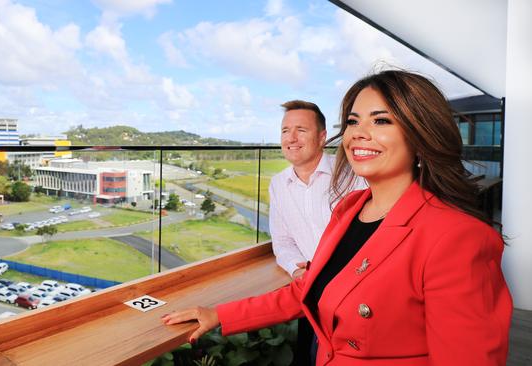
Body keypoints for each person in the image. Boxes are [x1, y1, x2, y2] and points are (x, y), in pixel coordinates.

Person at [162, 70, 513, 365]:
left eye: (381, 120)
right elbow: (310, 287)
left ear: (421, 137)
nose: (358, 133)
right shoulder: (350, 210)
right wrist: (221, 315)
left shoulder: (456, 237)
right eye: (353, 121)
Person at [271, 100, 363, 365]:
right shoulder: (278, 184)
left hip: (355, 291)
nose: (291, 138)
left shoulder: (353, 173)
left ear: (323, 137)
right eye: (285, 130)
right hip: (313, 289)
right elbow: (282, 241)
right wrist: (297, 270)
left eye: (301, 129)